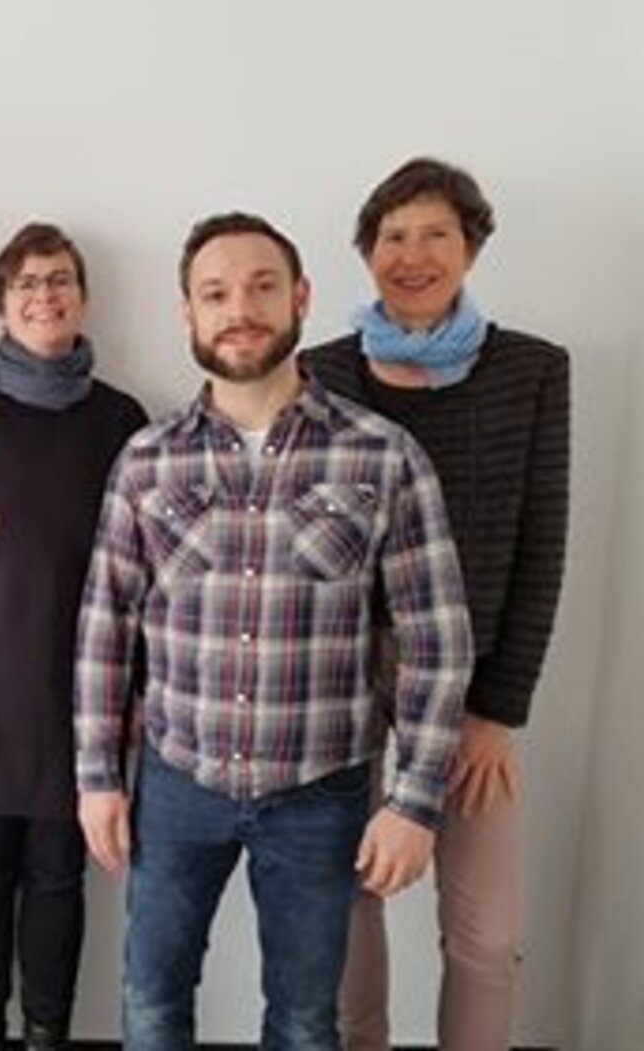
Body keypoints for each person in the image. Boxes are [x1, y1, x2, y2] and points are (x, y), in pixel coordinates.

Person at [74, 212, 475, 1050]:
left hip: (320, 790)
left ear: (300, 297)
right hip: (177, 782)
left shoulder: (383, 455)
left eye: (262, 287)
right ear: (188, 313)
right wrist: (97, 775)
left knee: (301, 1018)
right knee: (151, 1001)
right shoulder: (146, 460)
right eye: (215, 293)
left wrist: (415, 801)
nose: (240, 310)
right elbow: (105, 626)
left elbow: (436, 641)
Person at [302, 158, 570, 1051]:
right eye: (393, 236)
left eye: (435, 235)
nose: (412, 256)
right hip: (339, 677)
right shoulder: (318, 372)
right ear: (366, 252)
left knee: (486, 935)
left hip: (470, 681)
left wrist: (498, 711)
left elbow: (541, 546)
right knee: (347, 902)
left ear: (471, 247)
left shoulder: (533, 370)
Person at [0, 223, 147, 1051]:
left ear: (83, 296)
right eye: (27, 284)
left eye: (60, 280)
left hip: (83, 694)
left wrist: (139, 689)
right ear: (2, 305)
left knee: (58, 873)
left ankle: (47, 1033)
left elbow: (149, 572)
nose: (45, 295)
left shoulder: (121, 419)